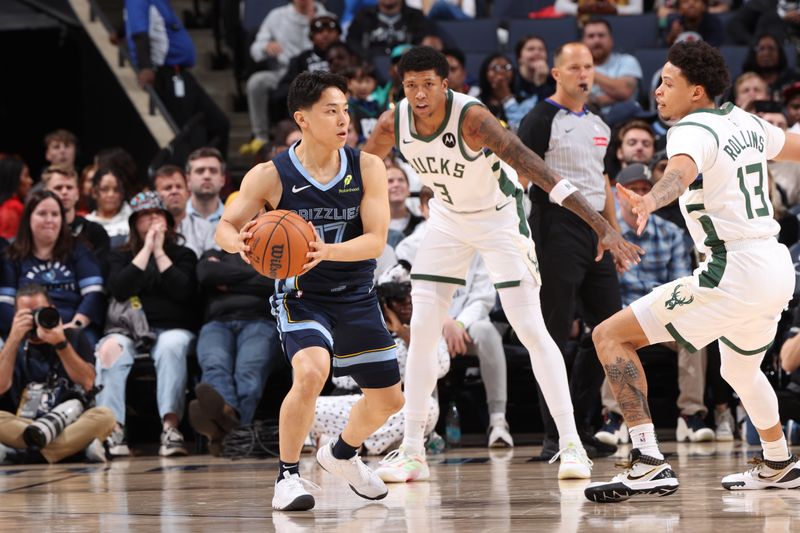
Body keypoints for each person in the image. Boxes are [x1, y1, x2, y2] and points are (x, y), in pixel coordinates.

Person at [362, 45, 642, 482]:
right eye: (411, 86)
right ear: (402, 88)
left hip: (499, 219)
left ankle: (570, 444)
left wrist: (603, 225)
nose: (419, 94)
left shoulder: (473, 119)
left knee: (531, 327)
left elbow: (539, 170)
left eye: (428, 85)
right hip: (448, 220)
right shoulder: (392, 122)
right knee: (422, 329)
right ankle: (412, 449)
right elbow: (362, 167)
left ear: (445, 84)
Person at [586, 40, 800, 503]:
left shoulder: (690, 129)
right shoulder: (745, 121)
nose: (658, 91)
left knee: (609, 336)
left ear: (697, 91)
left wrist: (649, 200)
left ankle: (647, 462)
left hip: (733, 268)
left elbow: (678, 173)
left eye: (668, 83)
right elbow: (797, 147)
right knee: (741, 370)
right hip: (775, 266)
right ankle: (779, 461)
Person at [216, 71, 405, 512]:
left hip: (356, 293)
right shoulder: (270, 175)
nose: (344, 120)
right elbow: (223, 227)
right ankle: (287, 477)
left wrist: (327, 250)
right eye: (331, 111)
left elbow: (377, 240)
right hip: (301, 295)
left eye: (345, 110)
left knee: (389, 401)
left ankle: (340, 454)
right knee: (311, 372)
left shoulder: (367, 166)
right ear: (302, 119)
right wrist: (239, 244)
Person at [517, 42, 625, 460]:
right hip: (554, 225)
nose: (584, 73)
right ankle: (554, 437)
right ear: (556, 74)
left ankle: (581, 424)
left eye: (589, 66)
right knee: (553, 334)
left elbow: (603, 180)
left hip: (596, 231)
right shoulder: (540, 119)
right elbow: (518, 172)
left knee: (609, 330)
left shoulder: (601, 123)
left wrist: (612, 234)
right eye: (575, 67)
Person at [595, 164, 715, 446]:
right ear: (617, 193)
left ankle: (691, 415)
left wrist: (653, 313)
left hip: (660, 312)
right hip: (620, 313)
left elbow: (680, 284)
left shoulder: (672, 232)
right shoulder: (609, 235)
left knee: (694, 334)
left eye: (643, 188)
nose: (638, 194)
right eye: (631, 189)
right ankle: (613, 417)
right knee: (610, 332)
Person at [94, 192, 198, 458]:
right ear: (133, 223)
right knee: (109, 348)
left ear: (167, 220)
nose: (152, 219)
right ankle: (113, 429)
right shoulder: (120, 255)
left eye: (157, 214)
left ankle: (170, 427)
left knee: (170, 346)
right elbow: (119, 288)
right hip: (128, 330)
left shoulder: (183, 254)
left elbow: (184, 291)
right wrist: (145, 250)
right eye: (145, 215)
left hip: (172, 329)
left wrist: (160, 252)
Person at [0, 284, 115, 464]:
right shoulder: (13, 345)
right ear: (16, 316)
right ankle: (72, 450)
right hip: (25, 425)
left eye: (39, 312)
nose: (34, 319)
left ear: (52, 310)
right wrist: (13, 339)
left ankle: (21, 453)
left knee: (105, 416)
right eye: (26, 315)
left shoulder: (72, 336)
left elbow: (88, 382)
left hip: (69, 425)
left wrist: (60, 343)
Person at [189, 247, 282, 455]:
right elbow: (206, 274)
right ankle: (234, 427)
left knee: (248, 372)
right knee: (214, 364)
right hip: (217, 322)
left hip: (260, 320)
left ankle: (223, 428)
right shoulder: (213, 253)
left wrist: (228, 280)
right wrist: (254, 278)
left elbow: (275, 282)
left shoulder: (272, 252)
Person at [0, 190, 106, 346]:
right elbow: (4, 303)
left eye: (55, 214)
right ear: (28, 218)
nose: (49, 220)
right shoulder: (12, 254)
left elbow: (94, 293)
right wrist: (27, 332)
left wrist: (74, 325)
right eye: (42, 214)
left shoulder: (78, 248)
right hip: (26, 332)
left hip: (73, 328)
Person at [125, 0, 230, 156]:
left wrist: (120, 32)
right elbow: (139, 33)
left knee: (219, 124)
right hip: (167, 75)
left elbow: (148, 23)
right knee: (186, 133)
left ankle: (218, 173)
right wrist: (146, 67)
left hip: (181, 74)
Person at [242, 1, 332, 154]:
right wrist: (266, 47)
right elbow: (255, 51)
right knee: (256, 82)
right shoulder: (276, 17)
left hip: (318, 72)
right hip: (284, 71)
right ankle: (260, 136)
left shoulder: (327, 18)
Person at [43, 165, 111, 272]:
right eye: (58, 188)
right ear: (45, 193)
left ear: (77, 194)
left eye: (69, 187)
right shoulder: (37, 232)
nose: (64, 192)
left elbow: (99, 274)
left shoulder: (95, 232)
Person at [581, 18, 643, 127]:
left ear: (611, 40)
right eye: (591, 36)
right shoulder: (574, 68)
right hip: (586, 124)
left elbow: (624, 91)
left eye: (601, 35)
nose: (596, 40)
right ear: (583, 42)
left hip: (624, 124)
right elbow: (576, 101)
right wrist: (616, 96)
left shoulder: (627, 61)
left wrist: (591, 72)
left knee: (627, 107)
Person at [152, 165, 216, 258]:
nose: (174, 191)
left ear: (188, 193)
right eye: (168, 188)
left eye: (179, 187)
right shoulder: (146, 230)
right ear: (156, 195)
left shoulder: (206, 228)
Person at [85, 167, 131, 249]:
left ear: (122, 193)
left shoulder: (133, 218)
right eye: (105, 189)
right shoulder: (87, 224)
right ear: (94, 192)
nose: (111, 194)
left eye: (116, 190)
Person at [185, 147, 226, 227]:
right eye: (200, 171)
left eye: (213, 171)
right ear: (188, 180)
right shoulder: (174, 219)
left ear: (222, 180)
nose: (207, 176)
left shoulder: (235, 221)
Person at [0, 158, 32, 240]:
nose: (30, 181)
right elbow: (9, 243)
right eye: (26, 175)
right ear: (14, 179)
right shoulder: (12, 208)